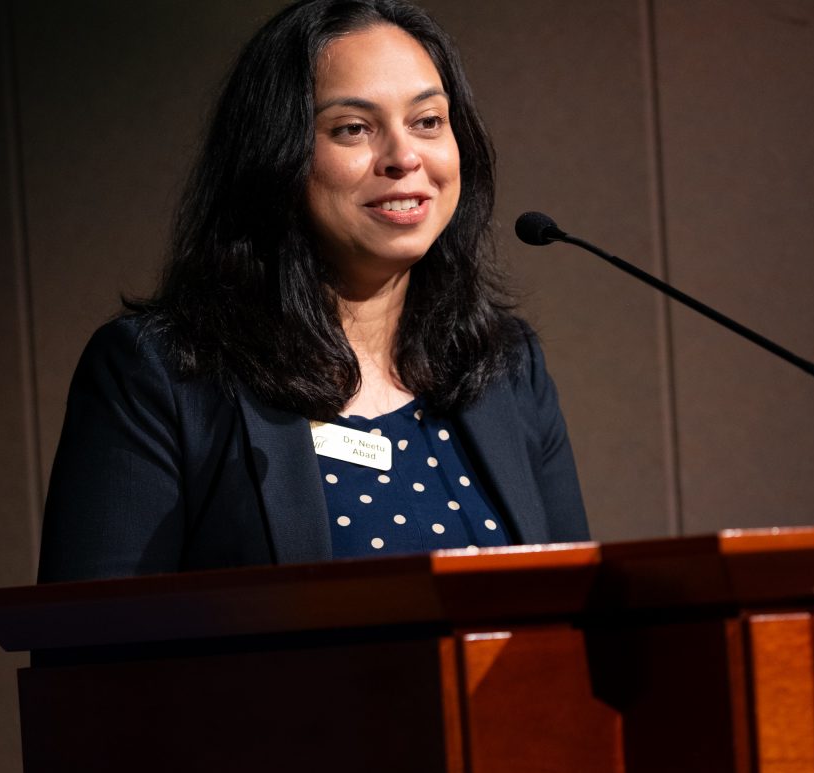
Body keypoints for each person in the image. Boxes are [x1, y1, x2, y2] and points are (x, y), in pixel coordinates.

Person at [37, 0, 588, 583]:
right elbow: (93, 635)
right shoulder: (161, 375)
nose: (405, 157)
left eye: (427, 121)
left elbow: (582, 607)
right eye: (353, 128)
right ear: (275, 155)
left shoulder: (506, 364)